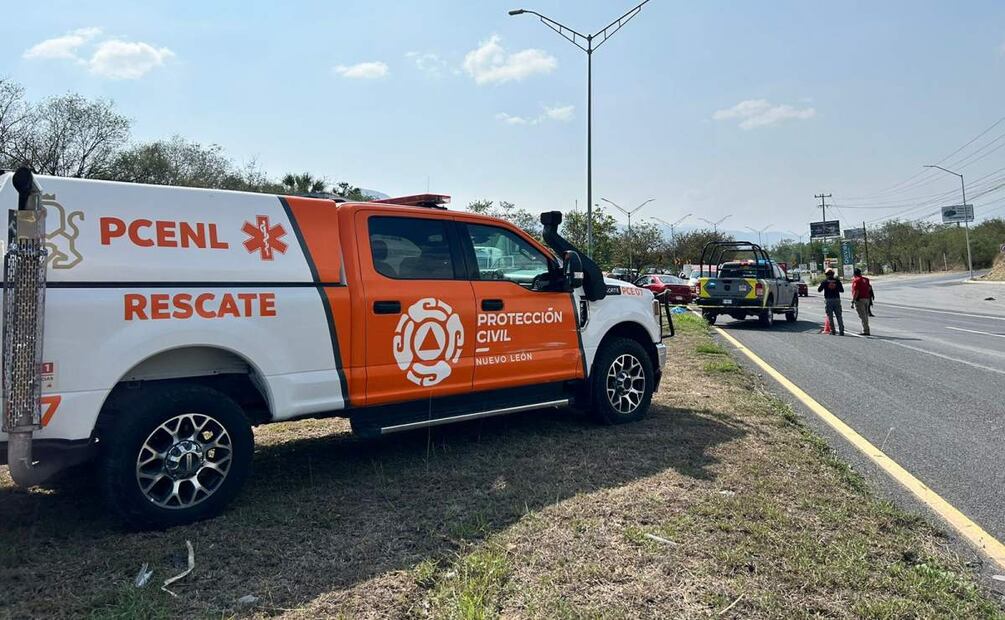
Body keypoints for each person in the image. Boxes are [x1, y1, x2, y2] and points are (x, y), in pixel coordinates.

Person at [817, 269, 845, 335]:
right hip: (837, 299)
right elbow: (842, 290)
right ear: (833, 274)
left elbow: (819, 290)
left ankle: (833, 331)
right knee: (839, 316)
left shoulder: (825, 281)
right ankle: (841, 331)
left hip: (828, 300)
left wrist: (823, 285)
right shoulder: (837, 281)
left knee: (830, 316)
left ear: (826, 274)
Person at [851, 268, 872, 335]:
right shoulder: (866, 279)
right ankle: (866, 329)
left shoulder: (856, 280)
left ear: (854, 274)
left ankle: (866, 330)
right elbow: (869, 288)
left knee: (862, 315)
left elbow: (856, 291)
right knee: (865, 315)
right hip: (867, 298)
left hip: (860, 299)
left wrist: (853, 300)